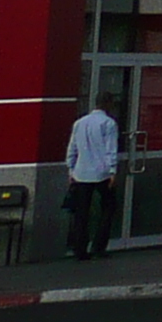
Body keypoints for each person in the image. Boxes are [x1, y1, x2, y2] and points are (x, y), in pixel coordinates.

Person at [64, 95, 123, 260]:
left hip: (81, 172)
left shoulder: (80, 123)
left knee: (81, 212)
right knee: (108, 208)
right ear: (108, 105)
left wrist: (71, 169)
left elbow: (72, 147)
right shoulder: (109, 123)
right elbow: (111, 149)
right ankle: (99, 246)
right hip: (102, 172)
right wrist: (113, 170)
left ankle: (79, 249)